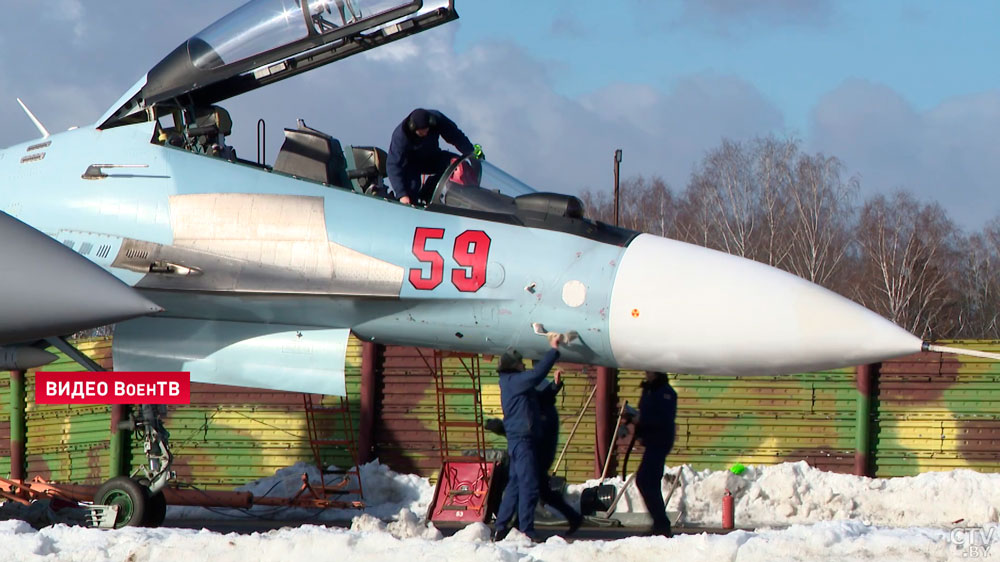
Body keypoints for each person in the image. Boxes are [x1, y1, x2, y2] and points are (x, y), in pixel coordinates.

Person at [484, 369, 583, 536]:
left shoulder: (544, 412)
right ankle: (572, 517)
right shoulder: (539, 406)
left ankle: (515, 527)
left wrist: (502, 428)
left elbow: (527, 432)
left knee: (522, 489)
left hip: (537, 456)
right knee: (541, 492)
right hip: (533, 454)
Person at [492, 334, 561, 542]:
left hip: (520, 441)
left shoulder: (517, 385)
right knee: (529, 485)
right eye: (521, 363)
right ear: (514, 366)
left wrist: (555, 386)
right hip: (523, 442)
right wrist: (554, 351)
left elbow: (541, 399)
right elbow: (537, 374)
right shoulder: (515, 381)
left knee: (514, 484)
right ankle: (526, 530)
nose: (524, 366)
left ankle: (501, 527)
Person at [386, 108, 476, 205]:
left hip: (432, 157)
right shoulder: (401, 136)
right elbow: (393, 165)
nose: (425, 133)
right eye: (422, 132)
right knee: (411, 191)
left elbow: (456, 136)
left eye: (427, 130)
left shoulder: (437, 119)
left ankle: (434, 193)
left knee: (459, 167)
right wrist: (402, 194)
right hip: (411, 165)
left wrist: (471, 153)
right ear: (413, 128)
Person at [630, 371, 678, 537]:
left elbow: (663, 419)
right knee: (646, 481)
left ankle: (662, 525)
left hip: (660, 441)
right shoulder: (649, 390)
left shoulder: (666, 393)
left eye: (650, 371)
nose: (646, 373)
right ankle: (660, 524)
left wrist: (641, 419)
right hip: (652, 441)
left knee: (646, 480)